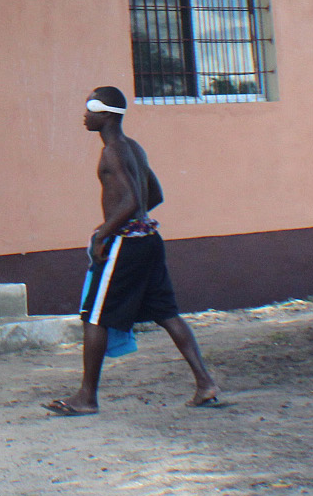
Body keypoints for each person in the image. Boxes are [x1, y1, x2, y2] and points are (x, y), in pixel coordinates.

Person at [44, 85, 222, 416]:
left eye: (89, 109)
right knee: (166, 313)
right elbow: (154, 195)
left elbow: (132, 200)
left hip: (124, 245)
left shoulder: (111, 152)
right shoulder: (134, 149)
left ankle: (87, 397)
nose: (84, 115)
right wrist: (128, 221)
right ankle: (204, 383)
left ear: (105, 114)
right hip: (148, 240)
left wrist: (104, 234)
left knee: (94, 317)